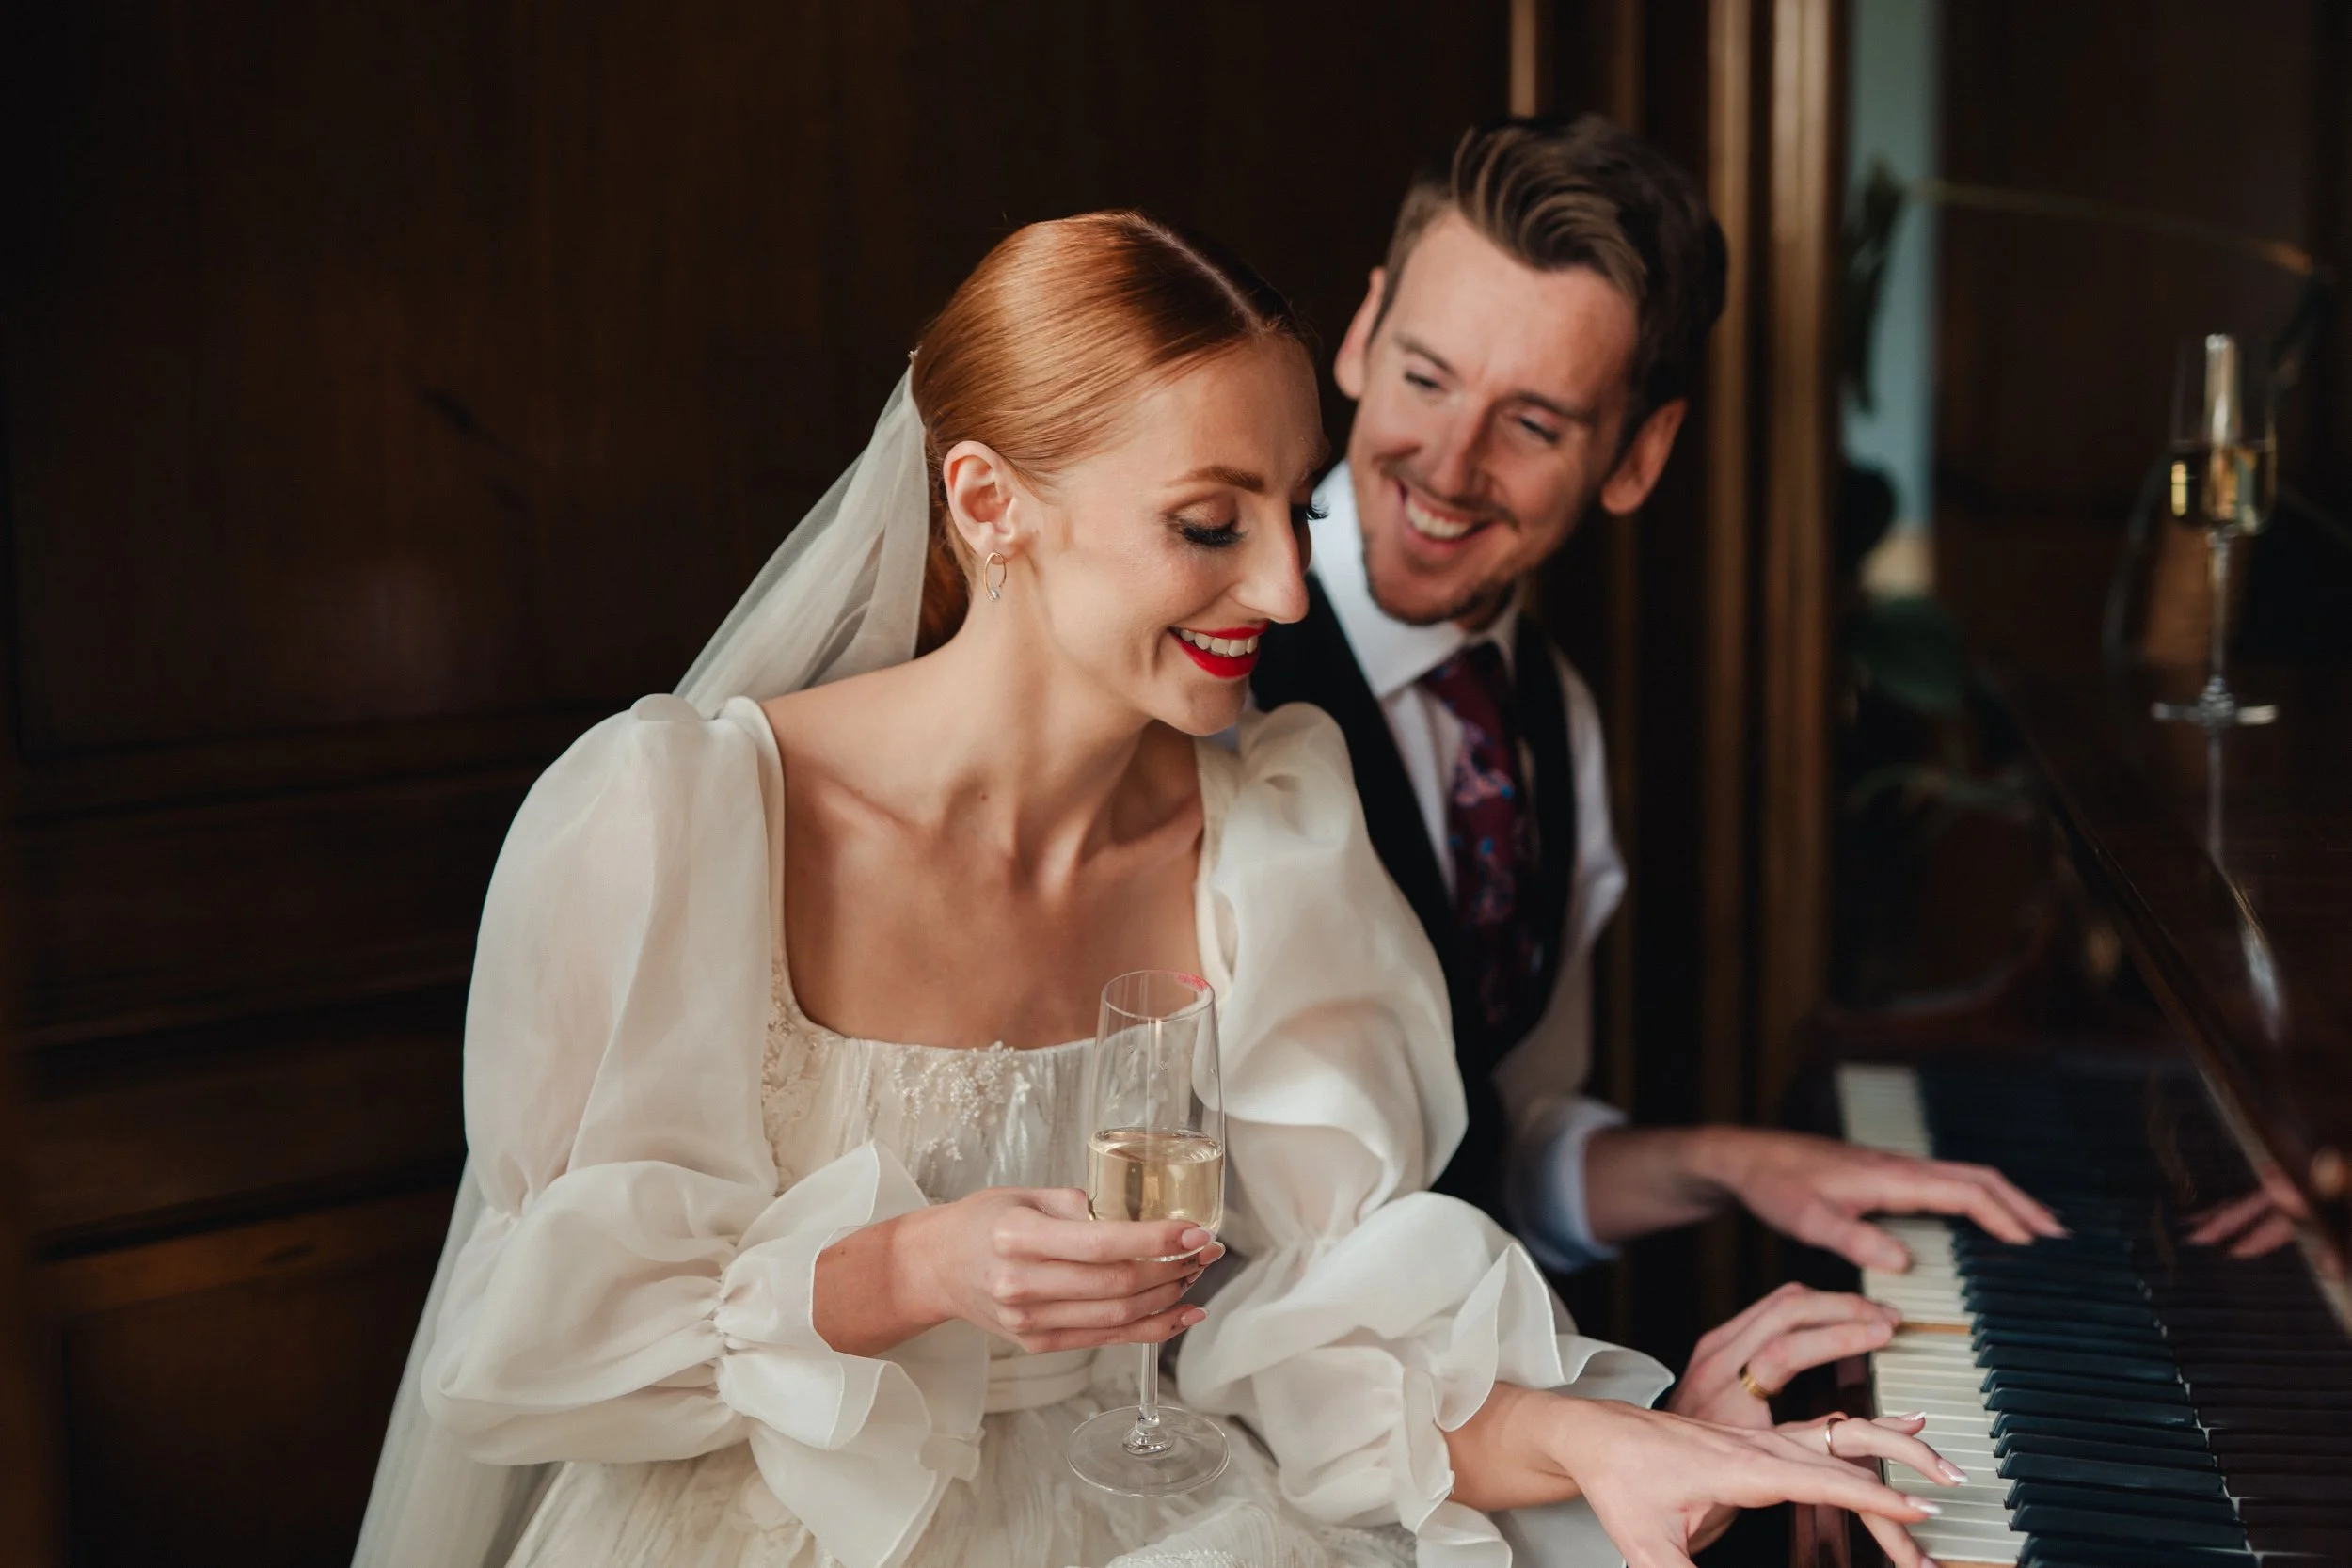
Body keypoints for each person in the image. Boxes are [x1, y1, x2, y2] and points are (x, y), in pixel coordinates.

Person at [352, 212, 1958, 1568]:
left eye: (1292, 506)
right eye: (1209, 522)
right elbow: (528, 1336)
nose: (1279, 584)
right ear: (989, 505)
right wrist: (908, 1271)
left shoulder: (1272, 838)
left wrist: (1615, 1435)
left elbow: (1306, 1327)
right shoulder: (673, 819)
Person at [1250, 116, 2066, 1424]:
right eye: (1424, 377)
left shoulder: (1552, 727)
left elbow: (1495, 1141)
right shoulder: (1205, 660)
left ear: (1637, 455)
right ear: (1360, 337)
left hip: (1446, 1411)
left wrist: (1725, 1161)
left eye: (1532, 421)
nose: (1448, 466)